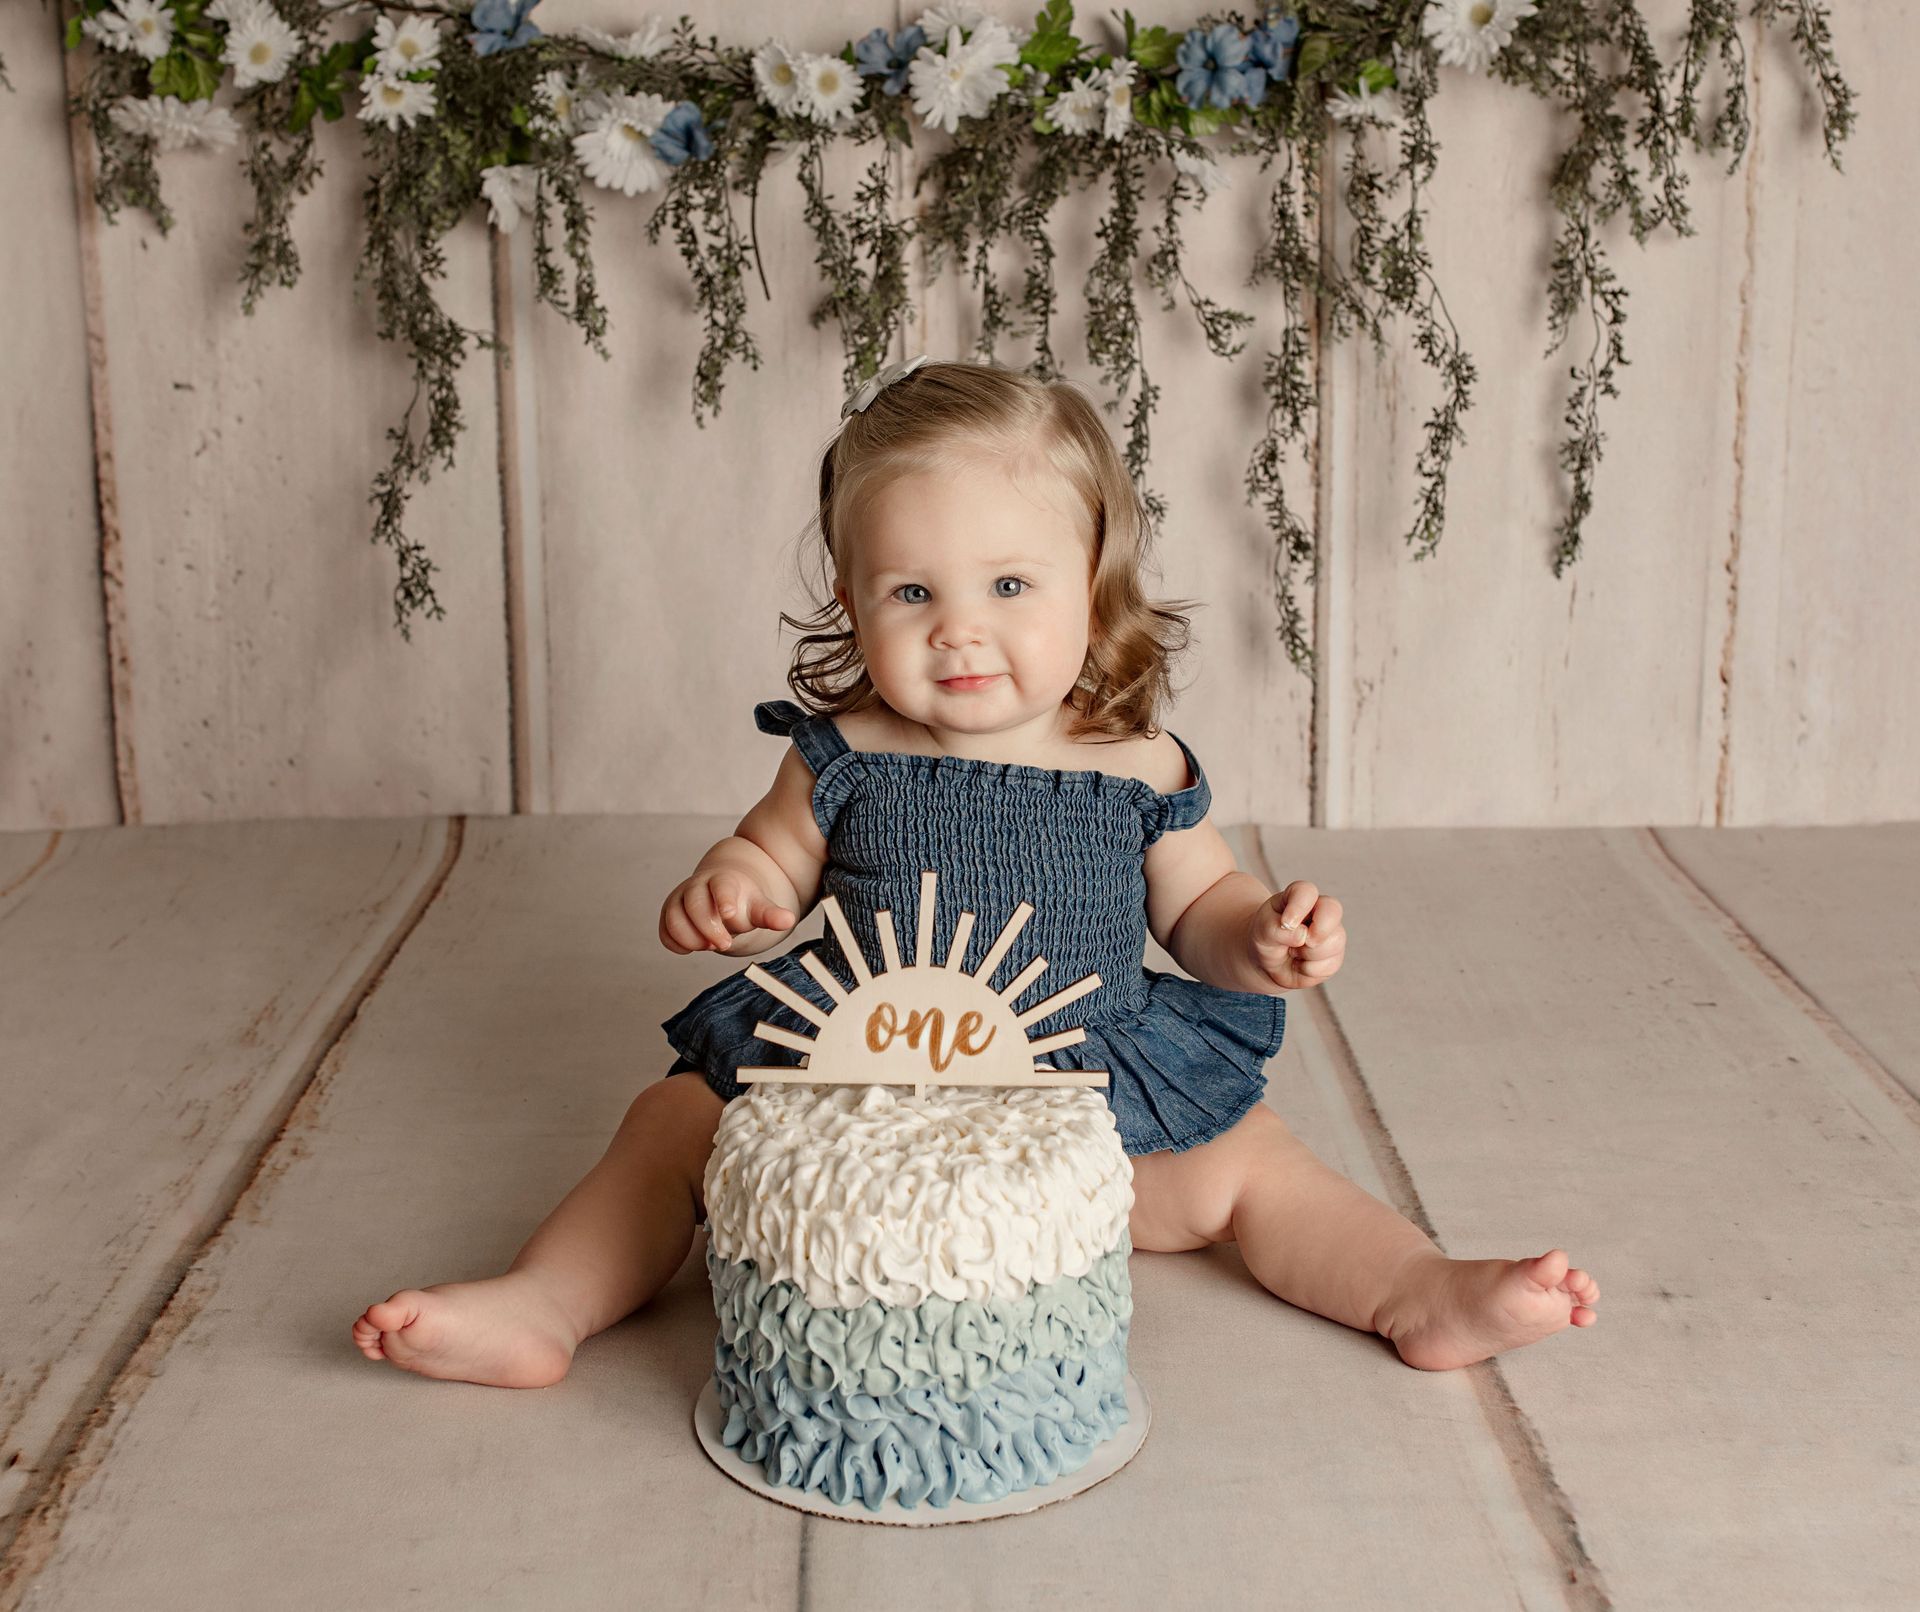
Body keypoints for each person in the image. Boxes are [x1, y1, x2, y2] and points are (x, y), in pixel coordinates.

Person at [351, 358, 1598, 1387]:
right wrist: (736, 886)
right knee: (672, 1123)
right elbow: (769, 855)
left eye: (1008, 584)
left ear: (1093, 581)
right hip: (852, 1077)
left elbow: (1199, 911)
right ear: (850, 599)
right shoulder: (841, 757)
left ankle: (1415, 1292)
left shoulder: (1134, 763)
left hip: (1074, 1102)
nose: (960, 626)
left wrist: (1263, 933)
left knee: (1253, 1164)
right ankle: (546, 1303)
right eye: (912, 590)